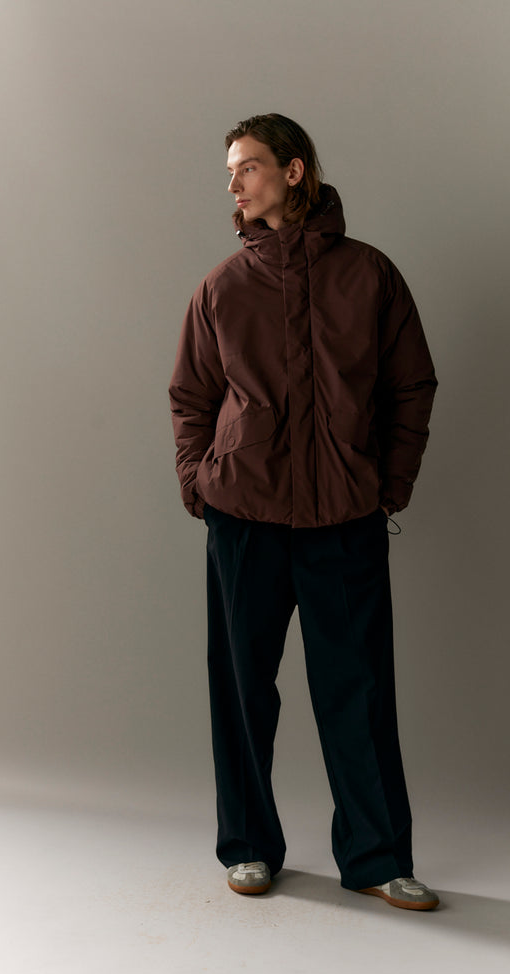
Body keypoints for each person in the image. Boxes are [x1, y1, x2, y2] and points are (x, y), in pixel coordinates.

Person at [169, 113, 439, 911]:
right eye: (229, 171)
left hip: (344, 517)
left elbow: (410, 386)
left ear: (292, 171)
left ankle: (377, 857)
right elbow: (190, 396)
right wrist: (199, 481)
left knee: (358, 690)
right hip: (244, 517)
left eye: (247, 166)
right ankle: (249, 845)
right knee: (241, 689)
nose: (233, 184)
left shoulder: (370, 276)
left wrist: (388, 483)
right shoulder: (222, 287)